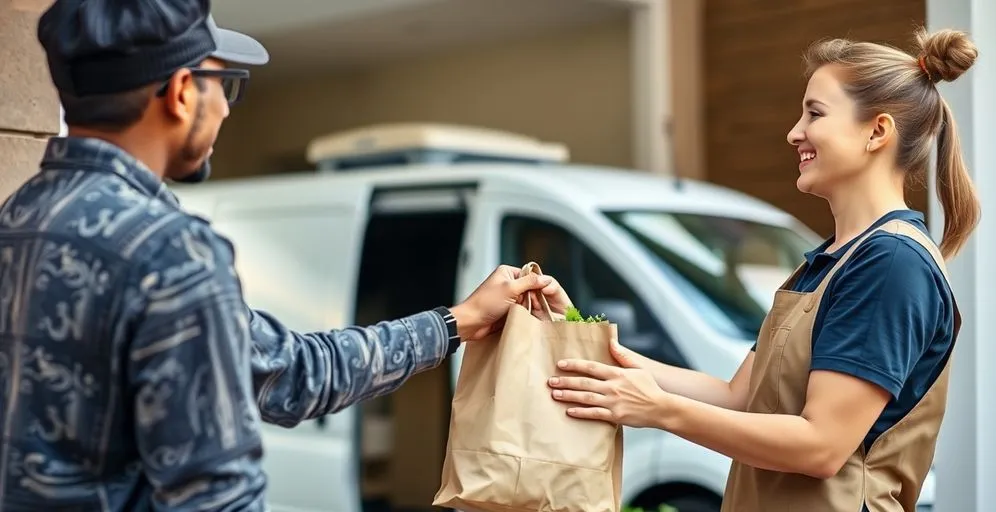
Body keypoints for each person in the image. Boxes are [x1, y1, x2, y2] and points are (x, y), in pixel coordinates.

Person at [0, 0, 570, 510]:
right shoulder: (170, 252)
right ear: (179, 91)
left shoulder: (16, 219)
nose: (225, 109)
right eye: (225, 86)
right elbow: (216, 492)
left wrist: (456, 323)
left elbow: (287, 371)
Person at [548, 27, 980, 511]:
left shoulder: (891, 264)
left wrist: (659, 411)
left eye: (815, 113)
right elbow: (737, 396)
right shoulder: (828, 261)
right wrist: (583, 337)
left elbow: (821, 445)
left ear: (877, 131)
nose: (794, 132)